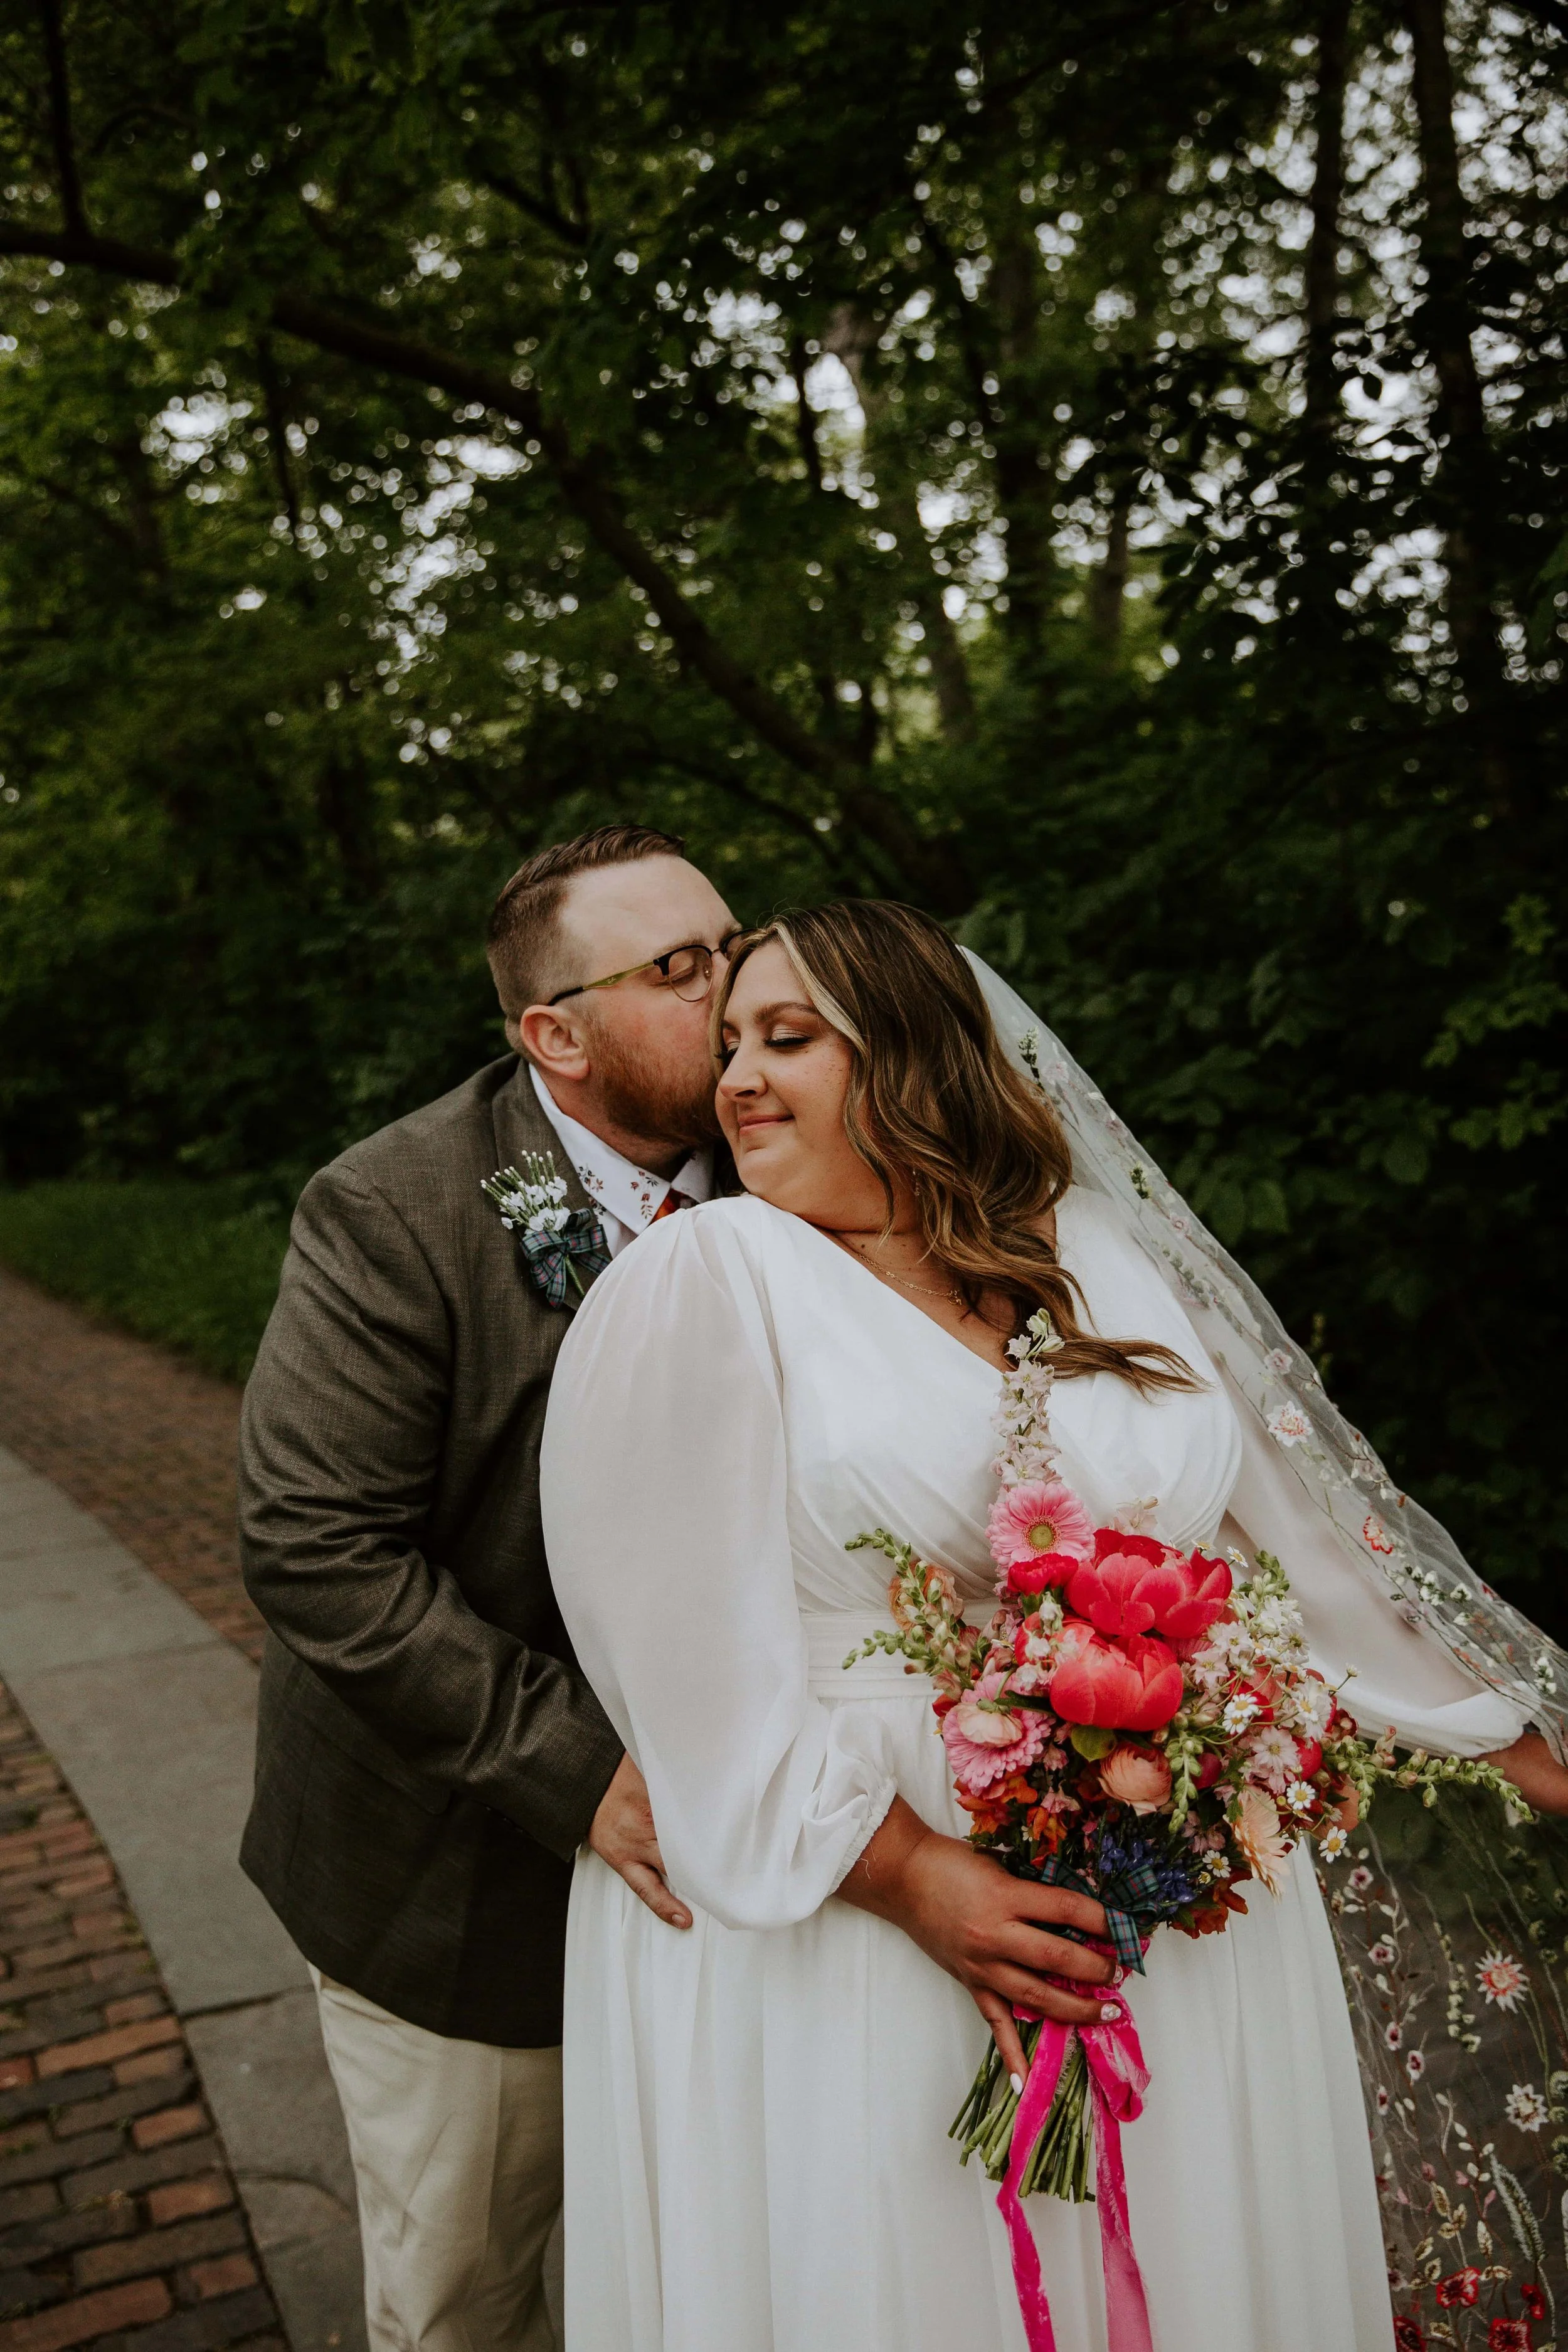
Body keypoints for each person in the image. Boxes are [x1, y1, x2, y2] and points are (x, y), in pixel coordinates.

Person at [540, 899, 1568, 2352]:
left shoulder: (1092, 1247)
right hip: (863, 1901)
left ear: (915, 1056)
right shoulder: (705, 1281)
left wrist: (1524, 1742)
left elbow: (1304, 1544)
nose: (738, 1082)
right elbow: (671, 1659)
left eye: (789, 1038)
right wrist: (912, 1878)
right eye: (727, 1047)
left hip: (1175, 1887)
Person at [236, 822, 743, 2352]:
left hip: (757, 1875)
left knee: (689, 2282)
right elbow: (315, 1548)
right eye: (679, 968)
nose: (735, 986)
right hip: (462, 1883)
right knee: (470, 2297)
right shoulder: (395, 1209)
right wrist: (583, 1777)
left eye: (731, 942)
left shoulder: (799, 1163)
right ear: (553, 1036)